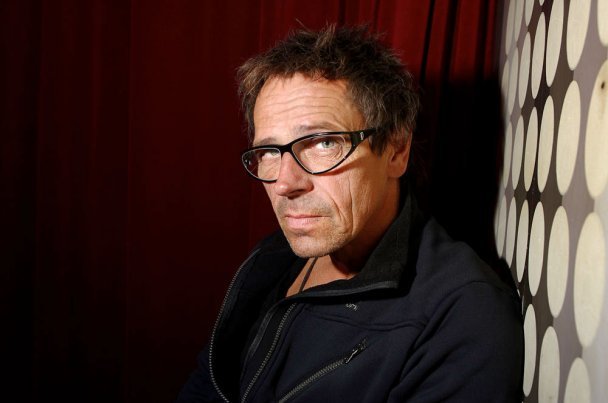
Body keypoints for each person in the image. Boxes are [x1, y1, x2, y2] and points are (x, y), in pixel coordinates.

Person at [177, 25, 523, 402]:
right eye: (269, 152)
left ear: (396, 150)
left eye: (323, 142)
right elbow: (207, 386)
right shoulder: (273, 256)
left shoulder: (460, 315)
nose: (285, 183)